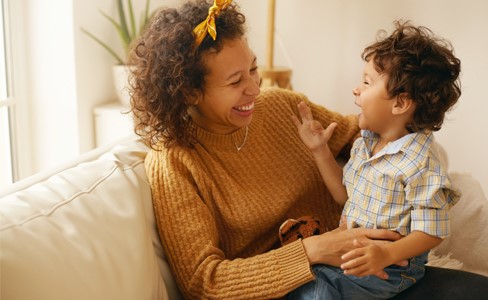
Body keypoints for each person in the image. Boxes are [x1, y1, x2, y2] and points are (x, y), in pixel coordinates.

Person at [128, 0, 409, 298]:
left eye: (253, 68)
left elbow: (359, 133)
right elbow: (204, 282)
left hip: (365, 267)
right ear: (190, 92)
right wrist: (313, 250)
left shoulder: (278, 106)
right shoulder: (174, 163)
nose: (255, 89)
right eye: (236, 81)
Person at [289, 21, 461, 299]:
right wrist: (320, 151)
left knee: (315, 290)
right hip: (355, 250)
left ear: (400, 104)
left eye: (367, 82)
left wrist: (386, 254)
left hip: (393, 266)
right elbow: (344, 197)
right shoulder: (365, 143)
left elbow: (433, 231)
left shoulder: (421, 163)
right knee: (299, 279)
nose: (356, 89)